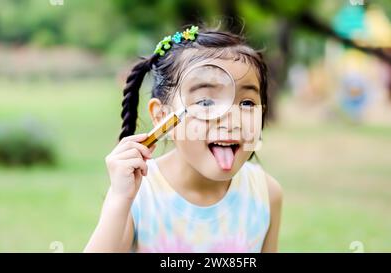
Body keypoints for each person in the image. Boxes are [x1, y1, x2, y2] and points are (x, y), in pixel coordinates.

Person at [85, 25, 283, 253]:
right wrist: (119, 199)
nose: (232, 119)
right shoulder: (137, 195)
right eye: (206, 102)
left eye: (247, 103)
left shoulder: (266, 193)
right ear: (162, 117)